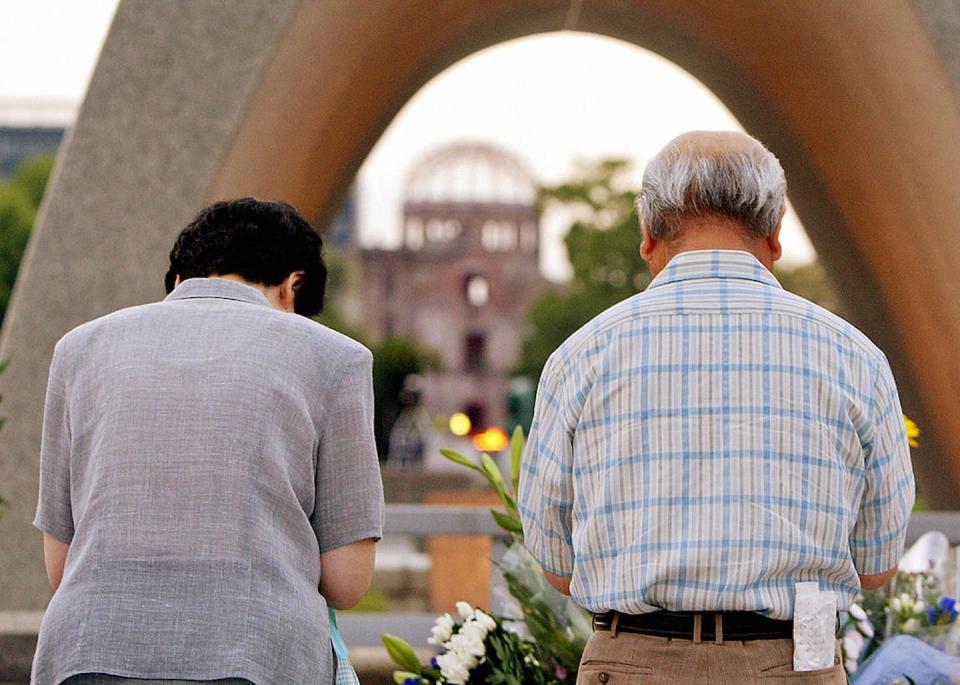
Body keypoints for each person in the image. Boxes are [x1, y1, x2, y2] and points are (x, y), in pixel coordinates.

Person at [518, 131, 915, 683]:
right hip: (799, 659)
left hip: (633, 661)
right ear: (775, 235)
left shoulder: (581, 357)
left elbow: (557, 566)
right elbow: (877, 566)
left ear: (649, 235)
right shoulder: (856, 359)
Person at [32, 198, 384, 685]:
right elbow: (348, 580)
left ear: (179, 282)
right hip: (259, 655)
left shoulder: (77, 349)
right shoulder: (336, 358)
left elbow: (60, 566)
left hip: (86, 651)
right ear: (292, 287)